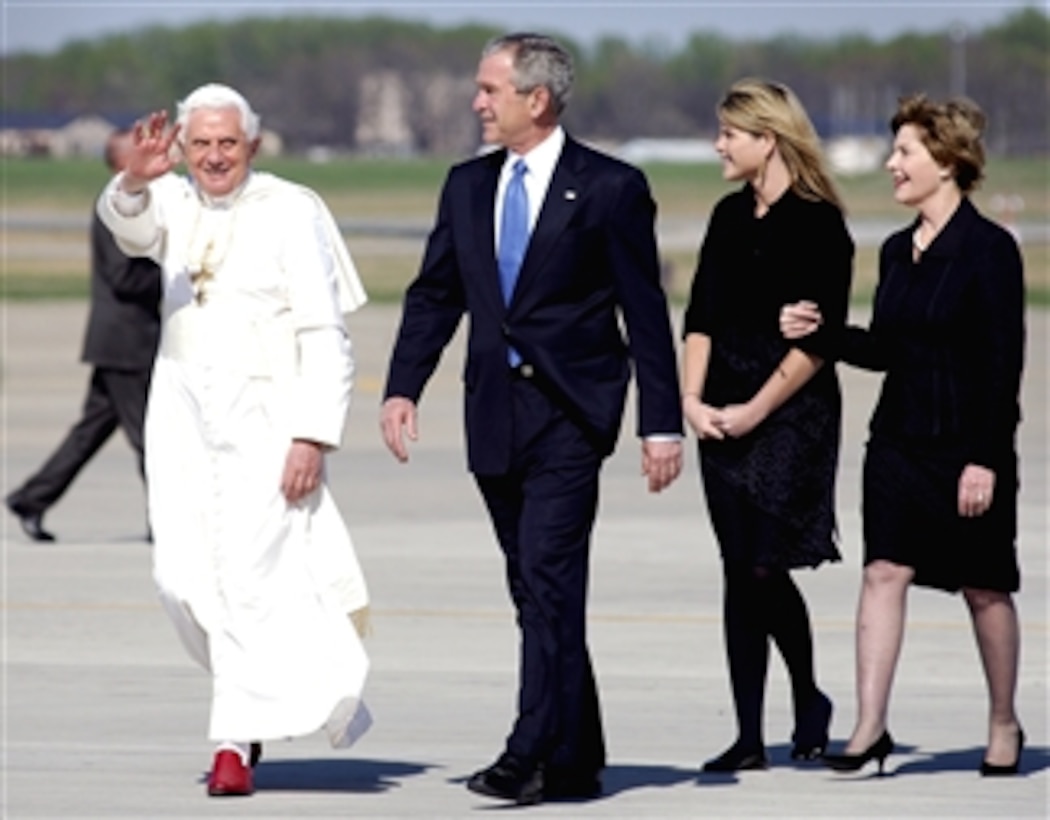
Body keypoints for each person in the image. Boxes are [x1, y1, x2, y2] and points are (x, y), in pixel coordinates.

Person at [380, 32, 683, 805]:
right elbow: (436, 294)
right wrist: (402, 386)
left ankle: (526, 750)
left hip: (571, 416)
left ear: (537, 99)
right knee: (534, 589)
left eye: (489, 90)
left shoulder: (610, 187)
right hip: (493, 413)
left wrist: (661, 424)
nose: (477, 102)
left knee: (549, 578)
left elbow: (645, 314)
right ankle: (578, 758)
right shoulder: (466, 186)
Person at [96, 83, 372, 797]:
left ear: (252, 144)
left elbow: (325, 333)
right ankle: (263, 697)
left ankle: (232, 743)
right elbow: (124, 223)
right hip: (182, 407)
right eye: (201, 143)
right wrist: (133, 177)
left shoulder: (291, 208)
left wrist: (312, 435)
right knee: (180, 579)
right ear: (182, 147)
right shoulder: (173, 197)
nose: (214, 157)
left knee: (252, 579)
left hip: (265, 412)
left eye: (228, 143)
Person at [781, 94, 1026, 776]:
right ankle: (868, 729)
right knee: (883, 571)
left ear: (946, 162)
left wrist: (984, 458)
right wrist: (822, 332)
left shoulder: (989, 252)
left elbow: (1002, 367)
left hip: (966, 448)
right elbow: (889, 348)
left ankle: (1004, 721)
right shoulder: (894, 251)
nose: (891, 164)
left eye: (905, 153)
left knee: (984, 587)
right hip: (897, 446)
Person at [680, 79, 853, 773]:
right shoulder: (726, 217)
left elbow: (817, 342)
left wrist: (754, 410)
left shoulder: (819, 224)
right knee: (736, 570)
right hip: (719, 408)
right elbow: (700, 318)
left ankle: (808, 698)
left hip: (790, 413)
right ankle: (749, 735)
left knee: (762, 564)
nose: (718, 145)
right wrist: (691, 401)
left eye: (729, 134)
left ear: (767, 139)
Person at [6, 129, 161, 542]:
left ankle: (32, 498)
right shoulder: (116, 207)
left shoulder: (136, 203)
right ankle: (166, 521)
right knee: (152, 436)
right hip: (126, 340)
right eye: (137, 146)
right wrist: (174, 272)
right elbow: (124, 276)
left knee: (90, 431)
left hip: (121, 340)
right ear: (119, 160)